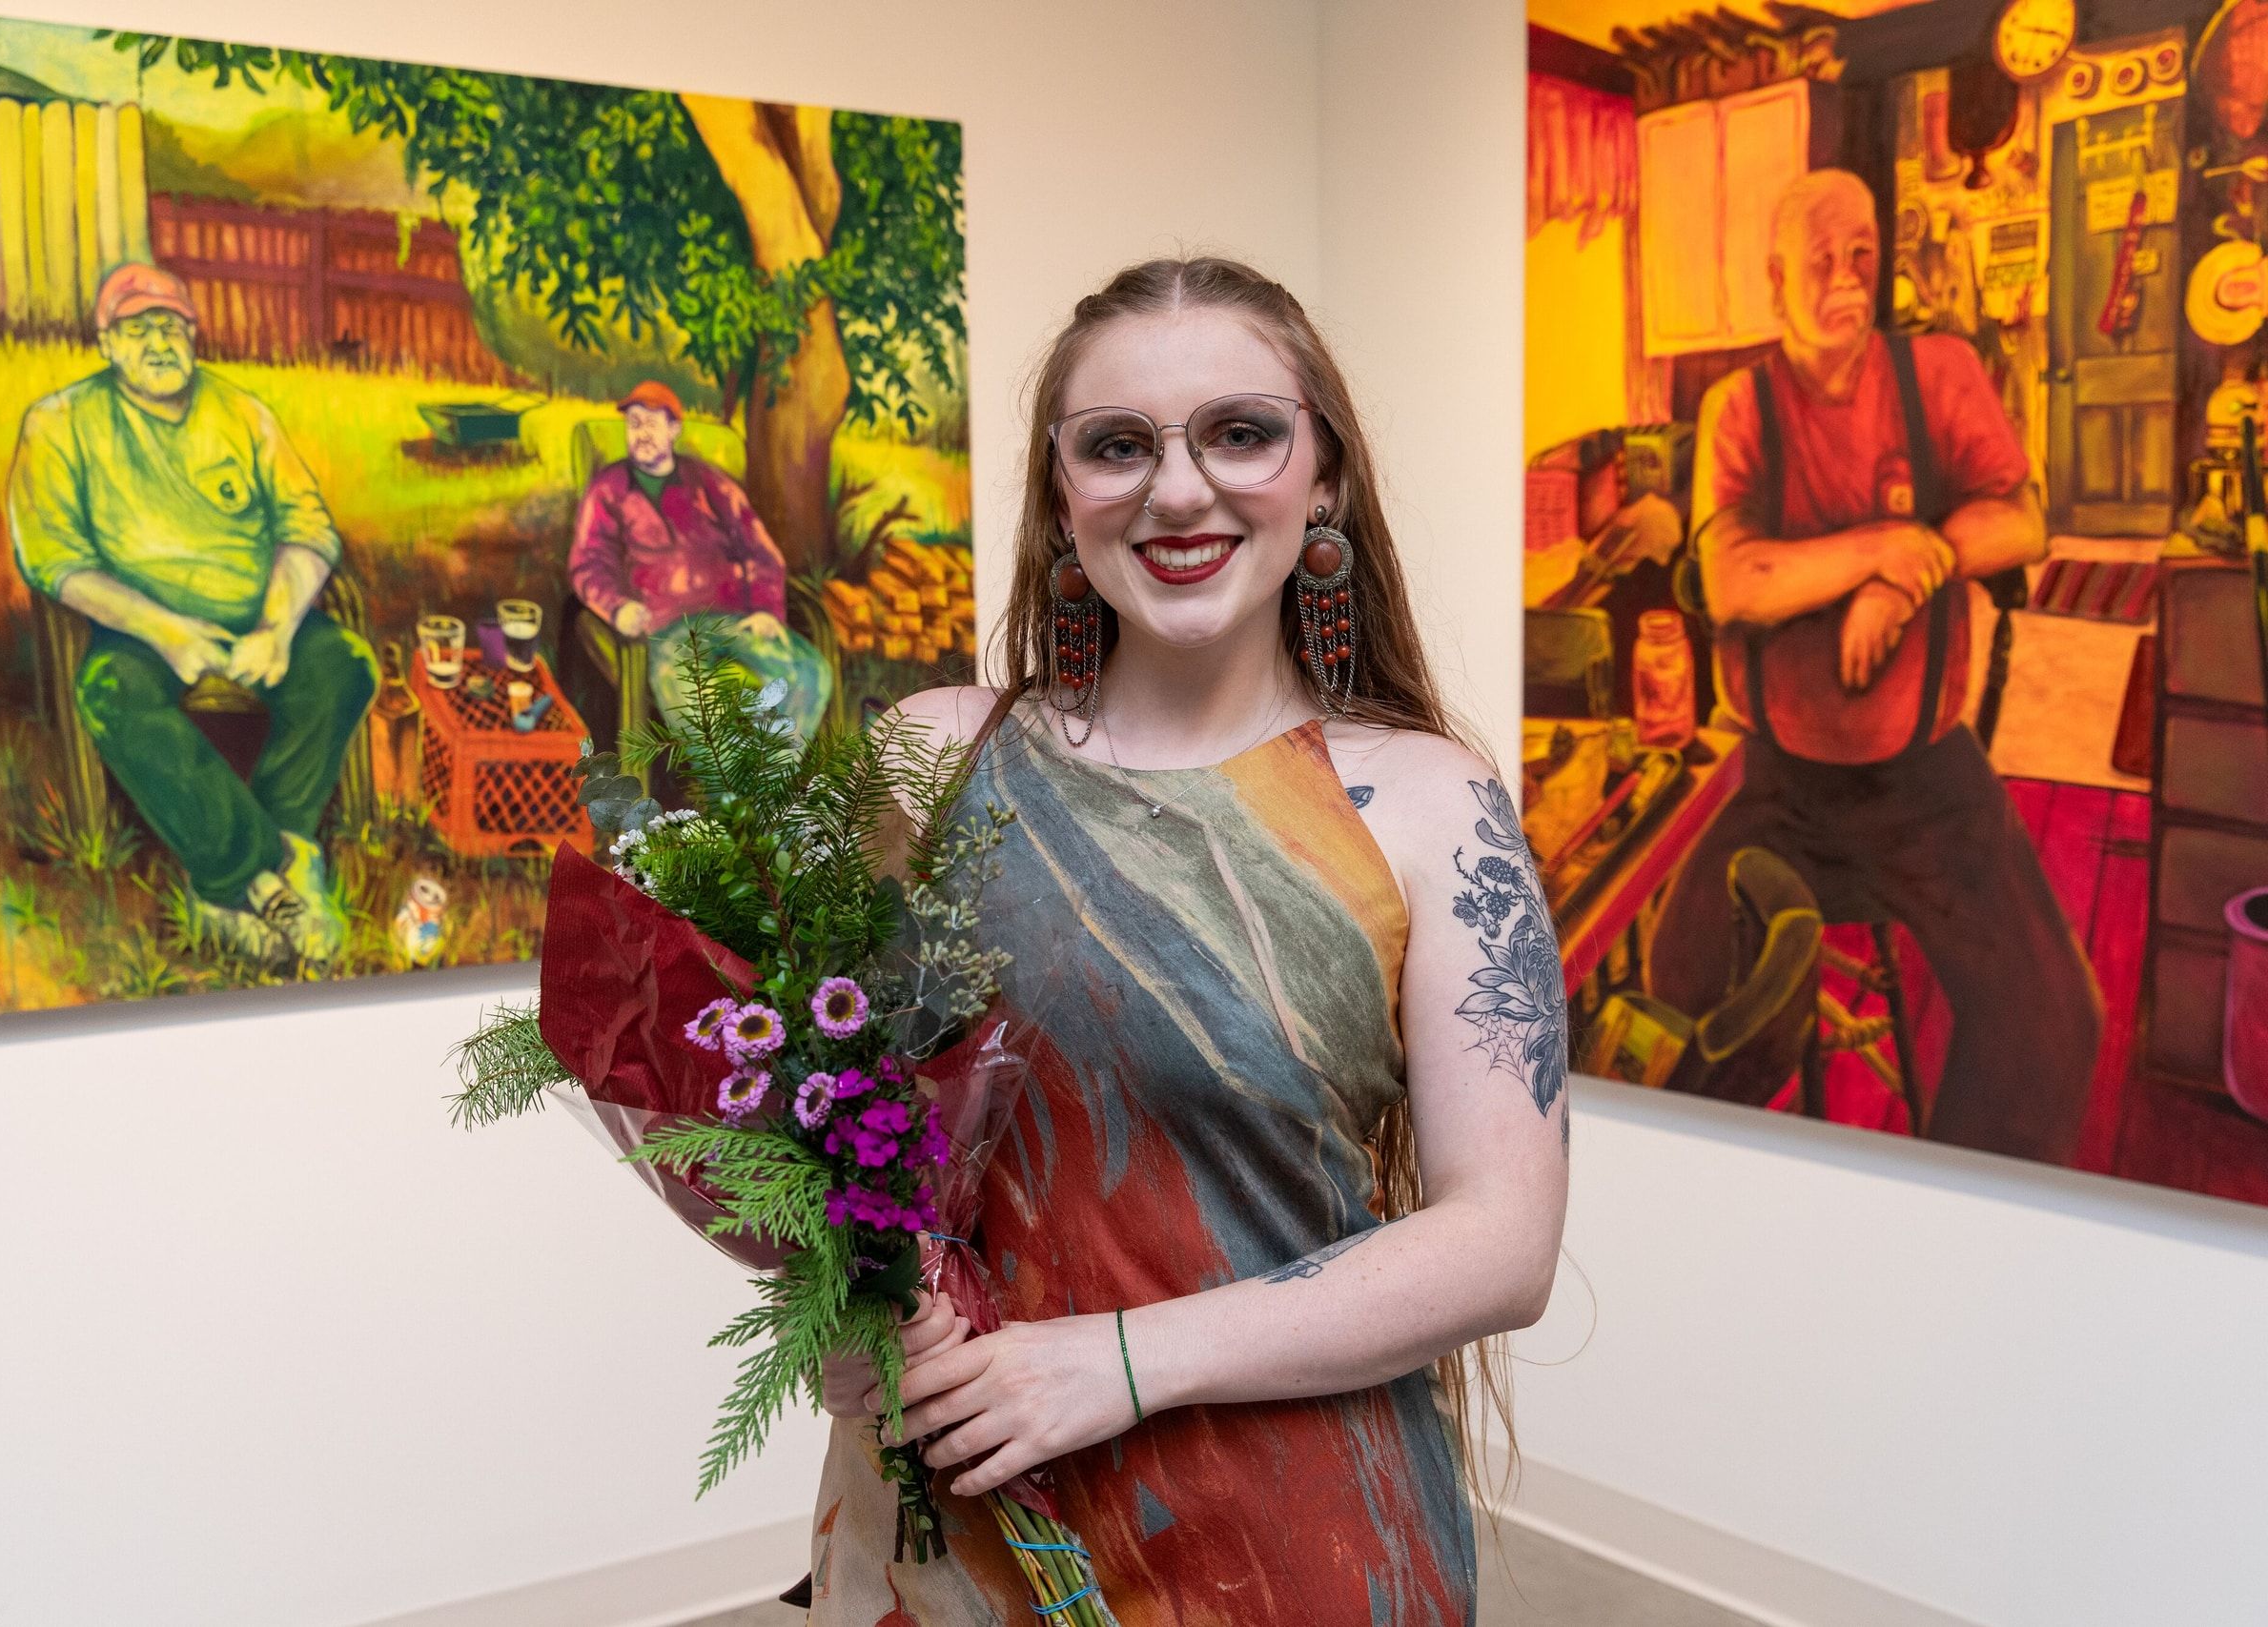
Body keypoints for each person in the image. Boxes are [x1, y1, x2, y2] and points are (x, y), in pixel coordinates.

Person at [797, 259, 1569, 1623]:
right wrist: (849, 1317)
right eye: (1117, 445)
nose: (1177, 488)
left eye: (1241, 431)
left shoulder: (1429, 802)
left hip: (1285, 1530)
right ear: (1058, 492)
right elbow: (814, 1120)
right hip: (957, 1512)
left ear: (1322, 472)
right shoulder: (930, 760)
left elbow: (1504, 1238)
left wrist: (1119, 1359)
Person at [1646, 170, 2101, 1159]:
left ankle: (1960, 1222)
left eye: (1864, 257)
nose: (1851, 279)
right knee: (1671, 997)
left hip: (1929, 784)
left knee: (2056, 1020)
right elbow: (1734, 581)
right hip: (1783, 788)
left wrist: (1901, 581)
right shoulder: (1740, 406)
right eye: (1824, 262)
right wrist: (1881, 551)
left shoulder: (1936, 371)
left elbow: (2021, 519)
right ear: (1776, 281)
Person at [8, 262, 374, 968]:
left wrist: (278, 625)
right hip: (141, 632)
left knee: (345, 668)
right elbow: (55, 561)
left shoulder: (242, 413)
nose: (159, 342)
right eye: (138, 328)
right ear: (106, 342)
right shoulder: (57, 425)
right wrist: (167, 631)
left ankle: (252, 875)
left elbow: (308, 528)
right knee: (112, 694)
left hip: (257, 621)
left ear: (193, 335)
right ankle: (258, 869)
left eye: (171, 325)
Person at [566, 379, 831, 740]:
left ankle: (769, 785)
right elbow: (588, 563)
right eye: (634, 423)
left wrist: (767, 608)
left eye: (652, 423)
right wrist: (617, 607)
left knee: (810, 673)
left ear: (674, 429)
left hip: (734, 619)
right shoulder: (608, 489)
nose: (642, 433)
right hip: (667, 627)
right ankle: (729, 791)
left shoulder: (707, 481)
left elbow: (757, 546)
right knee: (698, 704)